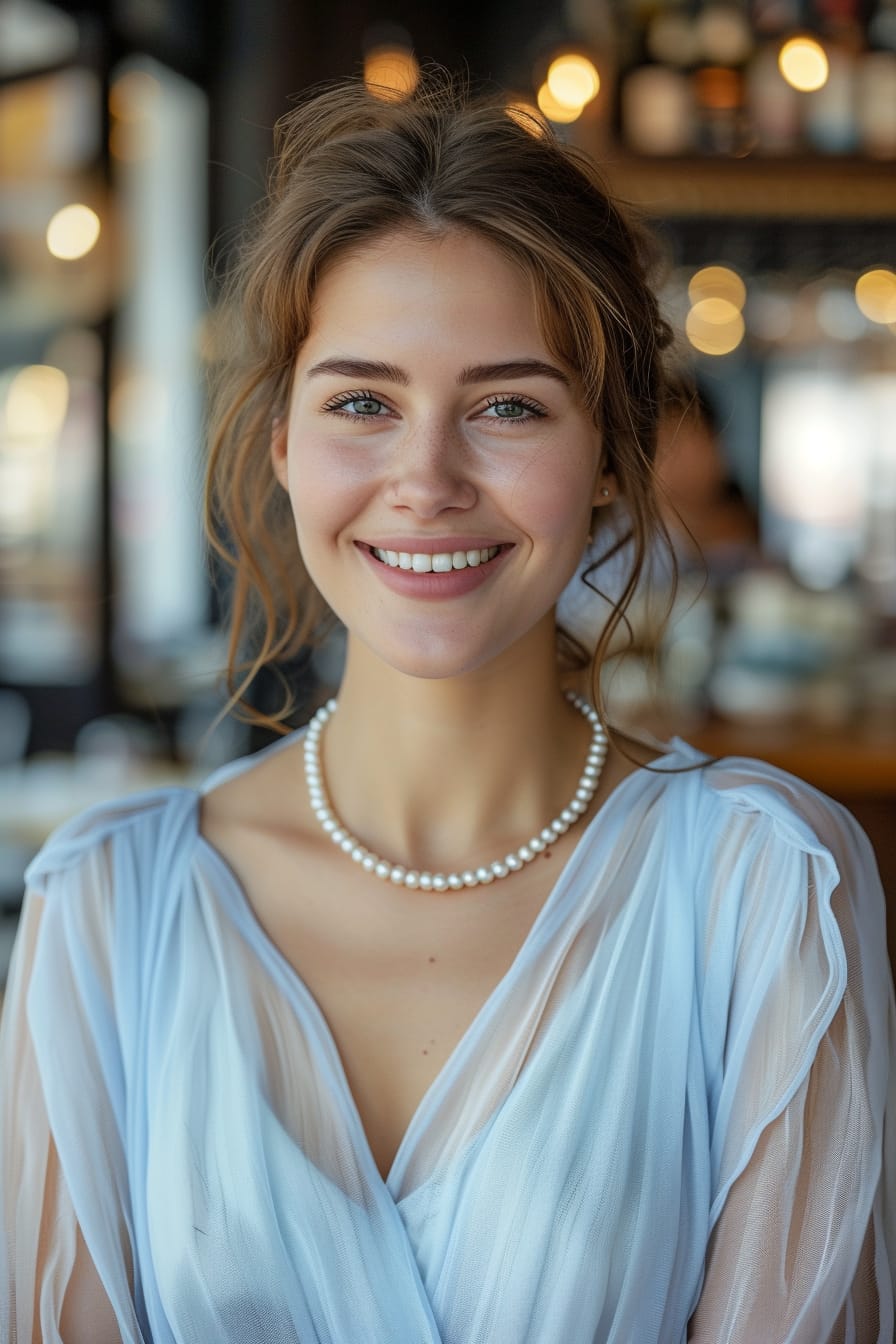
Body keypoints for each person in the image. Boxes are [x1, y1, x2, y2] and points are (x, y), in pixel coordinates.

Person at [1, 73, 894, 1344]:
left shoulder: (763, 888)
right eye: (361, 402)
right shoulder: (104, 911)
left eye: (508, 408)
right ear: (279, 443)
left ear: (605, 458)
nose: (424, 481)